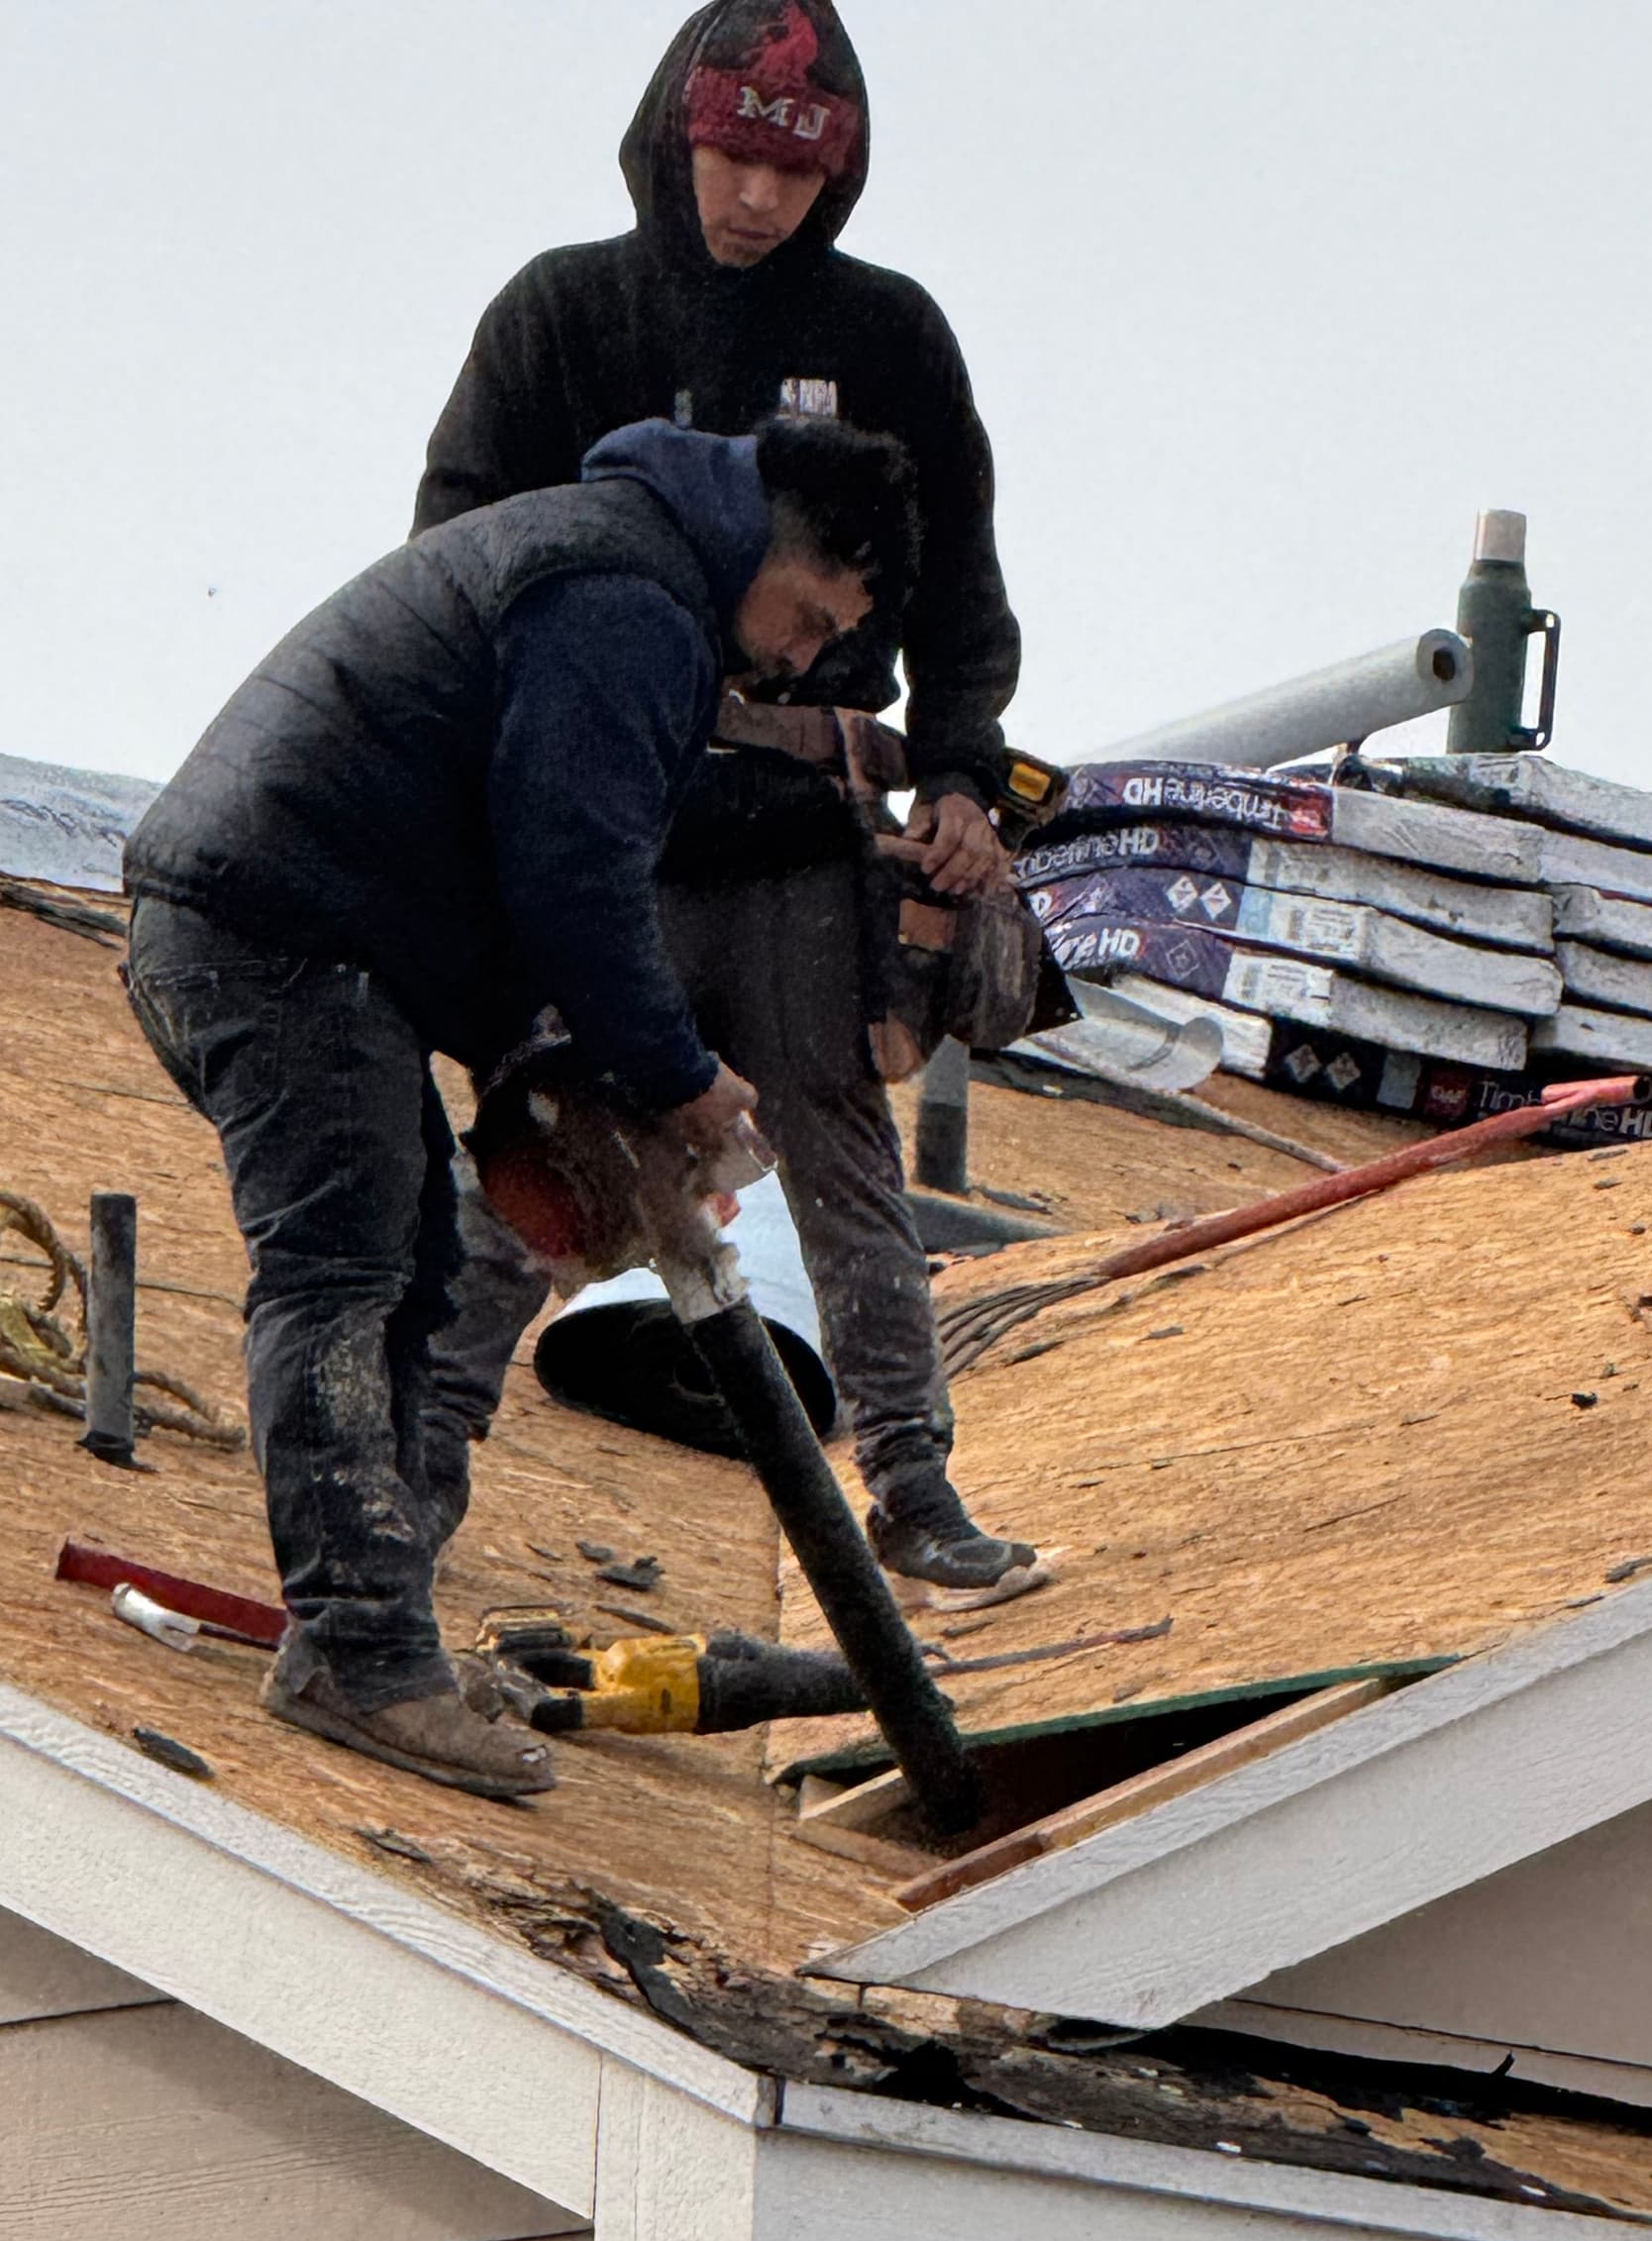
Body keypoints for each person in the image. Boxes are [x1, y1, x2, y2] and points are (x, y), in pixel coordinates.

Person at [123, 414, 915, 1798]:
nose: (798, 659)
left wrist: (553, 1065)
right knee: (348, 1272)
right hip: (276, 938)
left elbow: (534, 856)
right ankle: (359, 1661)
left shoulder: (625, 575)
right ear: (772, 548)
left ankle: (383, 1640)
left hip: (293, 933)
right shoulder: (626, 599)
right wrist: (673, 1075)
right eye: (807, 618)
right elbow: (573, 877)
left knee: (416, 1274)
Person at [414, 0, 1036, 1591]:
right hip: (605, 819)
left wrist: (964, 765)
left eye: (796, 170)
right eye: (732, 155)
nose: (759, 198)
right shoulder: (564, 314)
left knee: (840, 1158)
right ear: (672, 132)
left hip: (798, 832)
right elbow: (458, 555)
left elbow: (956, 587)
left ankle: (915, 1490)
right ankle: (412, 1481)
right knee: (546, 1149)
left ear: (840, 175)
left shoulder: (891, 338)